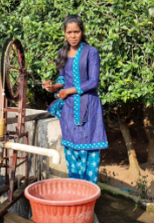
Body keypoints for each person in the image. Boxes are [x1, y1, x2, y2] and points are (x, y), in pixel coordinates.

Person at [44, 15, 108, 184]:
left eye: (76, 32)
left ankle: (88, 195)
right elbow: (62, 79)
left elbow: (93, 82)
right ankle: (76, 191)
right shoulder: (62, 52)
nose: (73, 36)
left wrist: (68, 91)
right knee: (71, 149)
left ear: (82, 32)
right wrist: (54, 87)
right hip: (70, 109)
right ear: (64, 34)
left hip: (90, 107)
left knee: (89, 150)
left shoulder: (91, 52)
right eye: (69, 32)